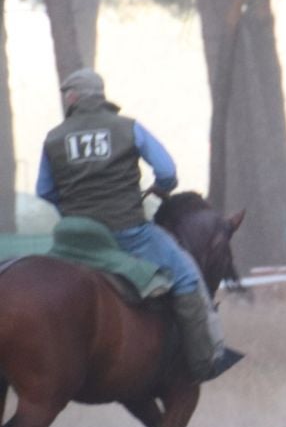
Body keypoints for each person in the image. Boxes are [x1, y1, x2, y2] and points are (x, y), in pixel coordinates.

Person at [36, 68, 243, 382]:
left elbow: (45, 189)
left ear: (74, 98)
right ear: (99, 96)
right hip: (128, 234)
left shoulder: (53, 138)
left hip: (74, 239)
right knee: (187, 276)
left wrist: (73, 211)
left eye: (66, 95)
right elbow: (167, 171)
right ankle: (203, 362)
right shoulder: (128, 128)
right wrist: (161, 187)